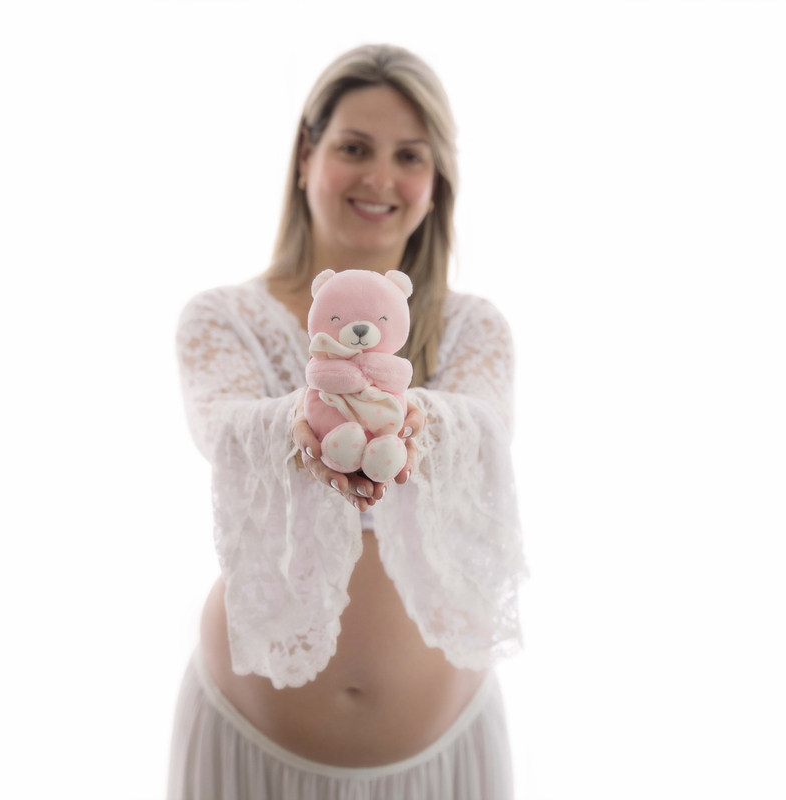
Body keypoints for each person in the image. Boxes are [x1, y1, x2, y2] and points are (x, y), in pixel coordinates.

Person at [166, 43, 529, 799]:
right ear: (306, 157)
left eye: (409, 156)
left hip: (442, 756)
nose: (380, 178)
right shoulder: (222, 317)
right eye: (355, 148)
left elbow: (480, 423)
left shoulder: (475, 328)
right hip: (250, 743)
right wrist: (302, 427)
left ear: (437, 186)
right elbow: (222, 424)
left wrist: (409, 418)